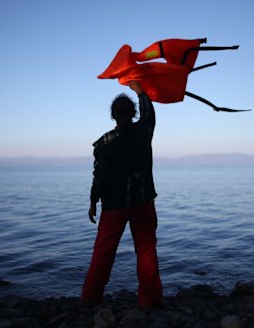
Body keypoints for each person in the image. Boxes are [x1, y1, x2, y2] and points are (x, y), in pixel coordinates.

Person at [82, 80, 163, 309]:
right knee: (146, 251)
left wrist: (92, 201)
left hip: (114, 207)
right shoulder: (143, 131)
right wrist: (140, 90)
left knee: (103, 253)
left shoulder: (105, 143)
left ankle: (90, 299)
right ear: (133, 113)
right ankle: (150, 301)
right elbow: (149, 114)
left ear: (113, 117)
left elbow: (100, 176)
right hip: (143, 203)